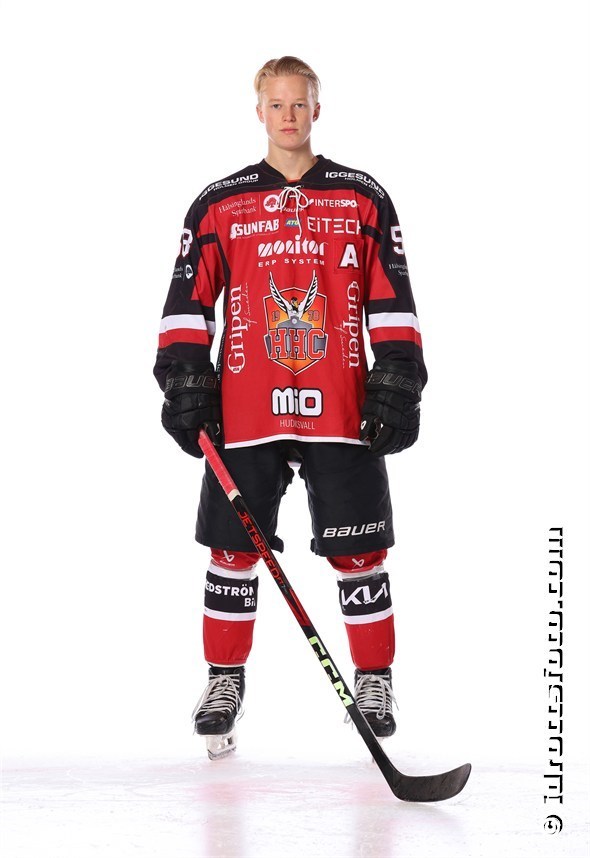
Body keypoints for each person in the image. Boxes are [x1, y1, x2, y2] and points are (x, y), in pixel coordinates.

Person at [154, 56, 427, 760]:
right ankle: (224, 681)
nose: (288, 116)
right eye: (276, 105)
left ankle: (374, 681)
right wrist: (185, 377)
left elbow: (390, 295)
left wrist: (397, 373)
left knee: (361, 550)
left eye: (299, 104)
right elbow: (188, 299)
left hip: (343, 403)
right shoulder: (220, 203)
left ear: (316, 109)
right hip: (246, 405)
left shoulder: (362, 197)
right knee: (231, 550)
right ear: (259, 112)